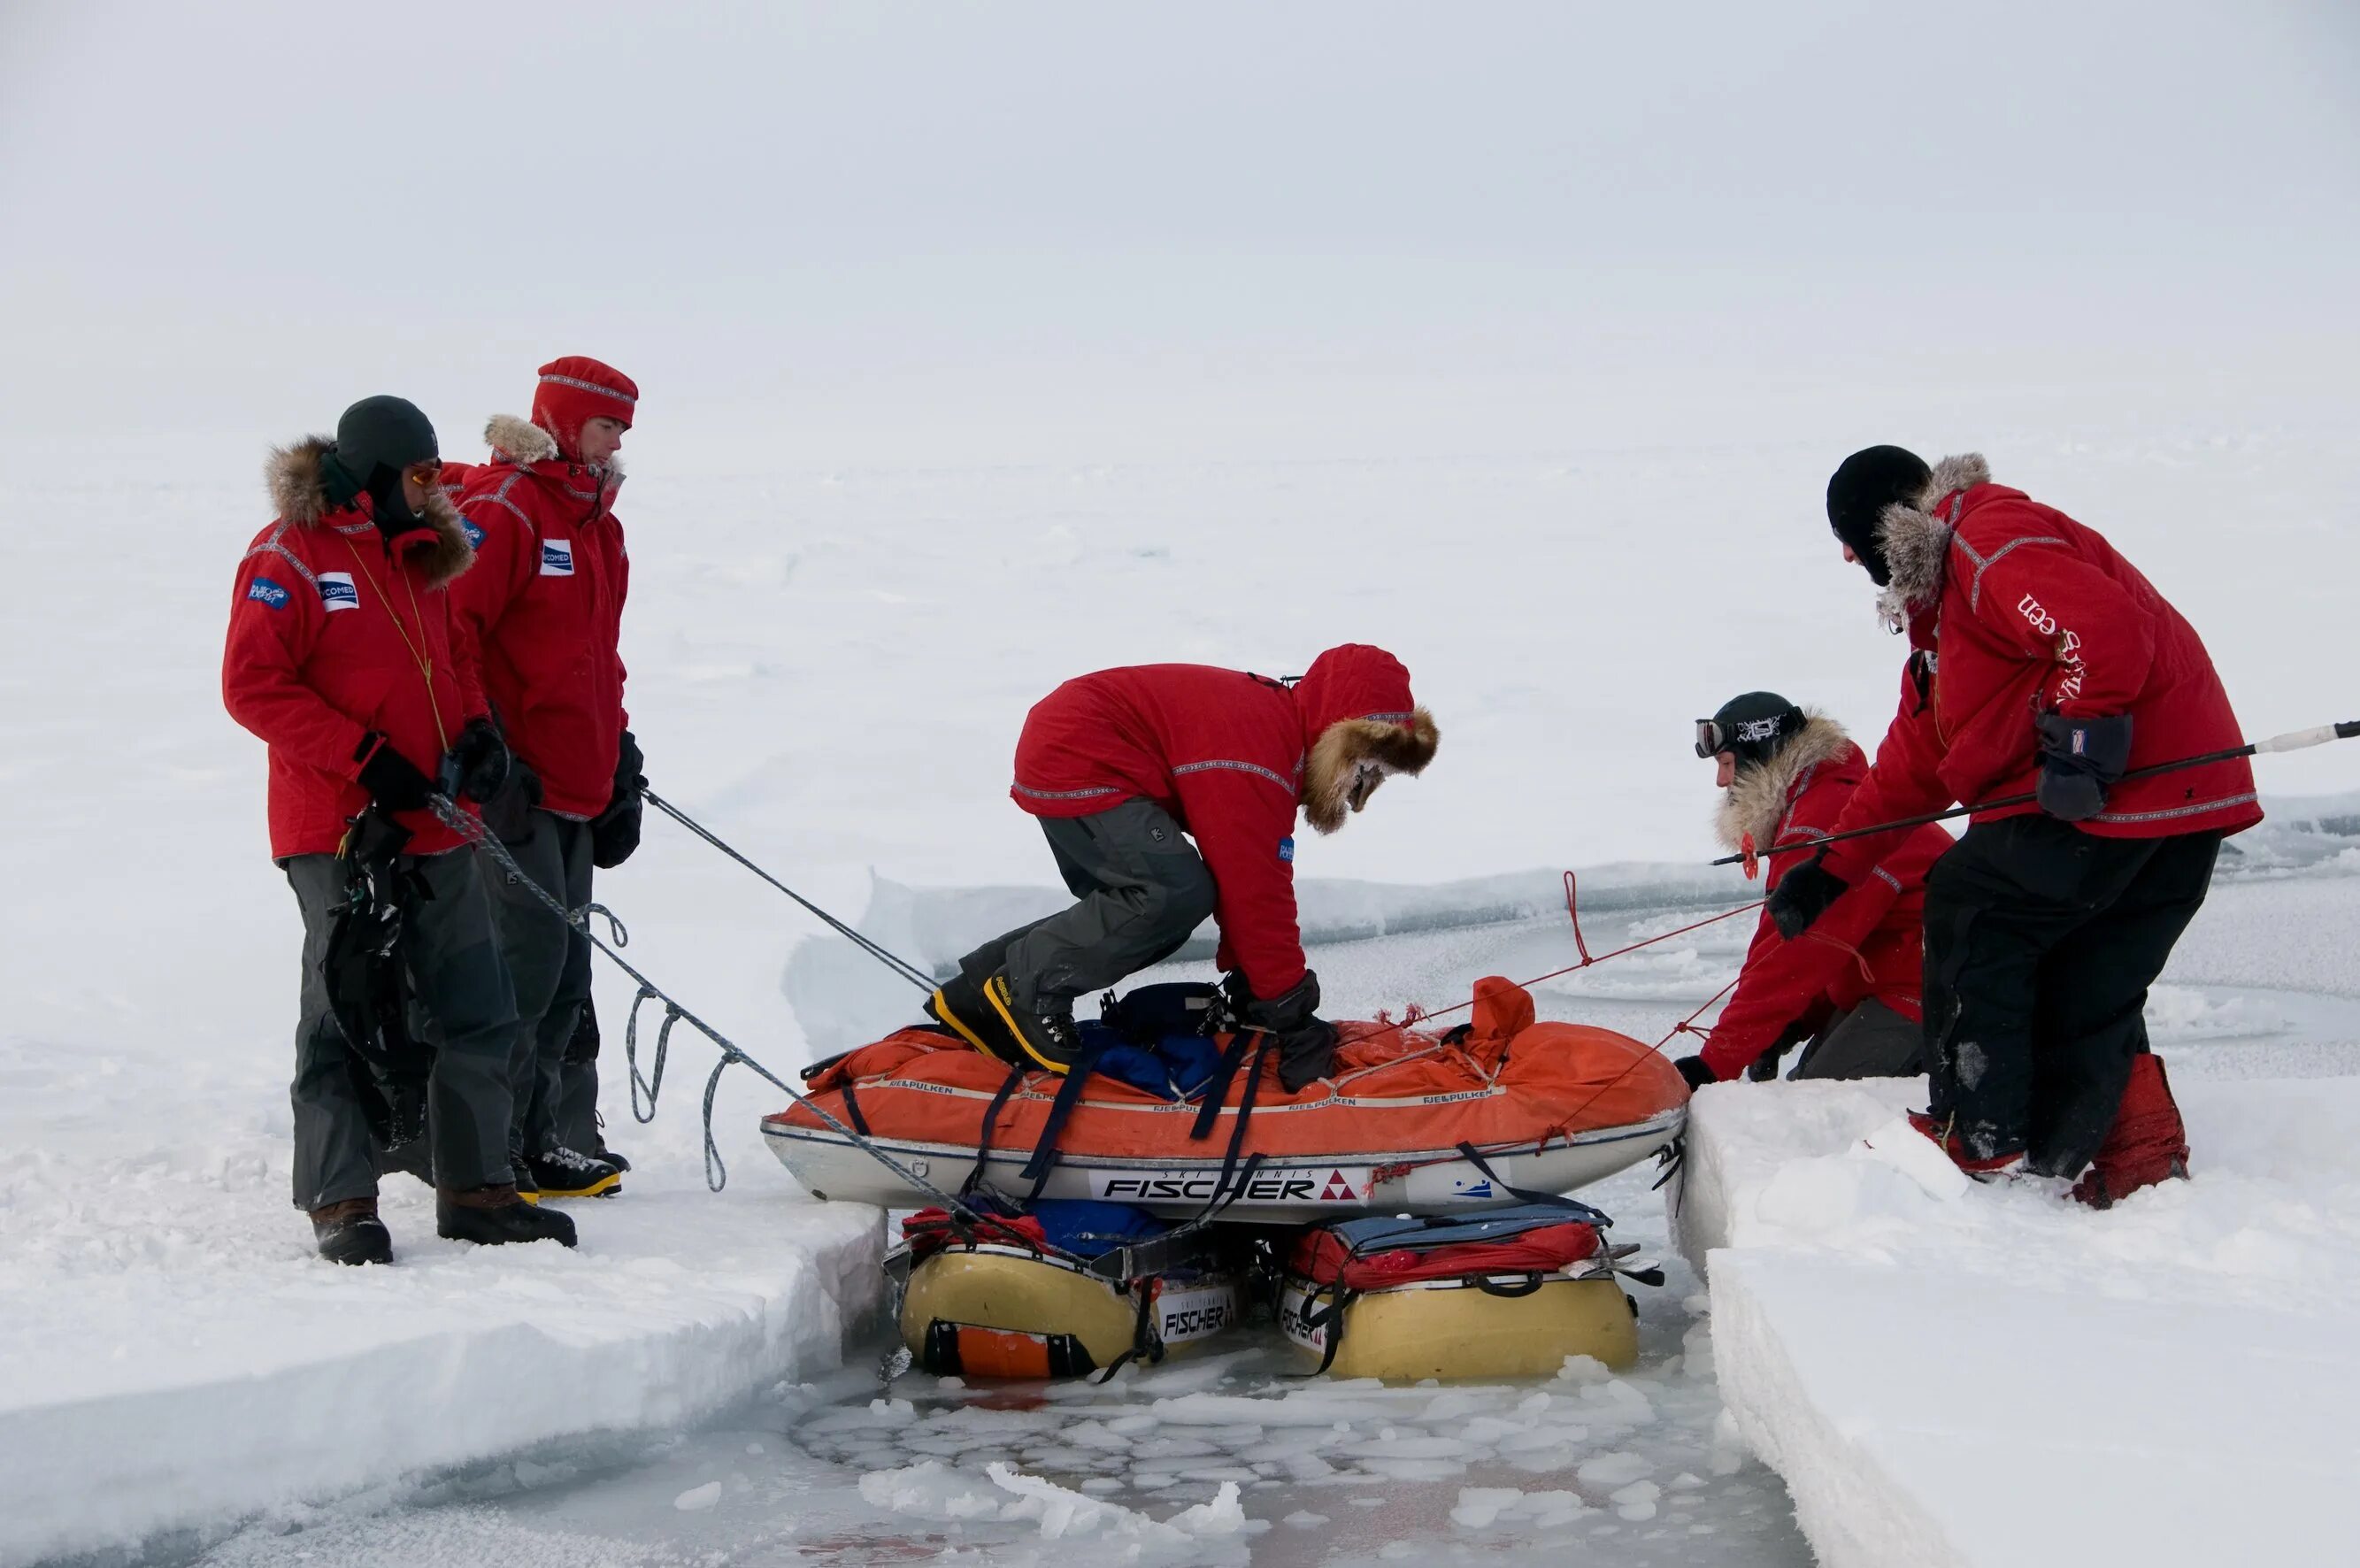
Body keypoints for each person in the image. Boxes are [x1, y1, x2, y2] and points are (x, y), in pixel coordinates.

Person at [1768, 447, 2258, 1202]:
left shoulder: (1983, 537)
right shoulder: (1946, 622)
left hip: (2127, 788)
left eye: (1846, 535)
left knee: (1970, 899)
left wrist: (2082, 745)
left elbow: (2100, 633)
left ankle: (1977, 1133)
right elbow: (1915, 762)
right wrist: (1832, 866)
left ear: (1880, 524)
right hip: (2184, 799)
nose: (1843, 554)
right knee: (2087, 974)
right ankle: (2130, 1157)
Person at [223, 396, 577, 1262]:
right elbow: (252, 685)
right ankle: (342, 1198)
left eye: (434, 474)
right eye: (420, 475)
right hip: (340, 825)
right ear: (376, 471)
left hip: (435, 818)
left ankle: (477, 1186)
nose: (432, 490)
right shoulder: (290, 556)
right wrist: (363, 755)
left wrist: (478, 733)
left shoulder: (424, 555)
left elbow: (453, 657)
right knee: (346, 1003)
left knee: (478, 1002)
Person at [926, 646, 1440, 1092]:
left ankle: (974, 996)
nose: (1362, 787)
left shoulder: (1272, 736)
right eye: (1367, 767)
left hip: (1072, 743)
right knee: (1170, 894)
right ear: (1339, 736)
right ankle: (1026, 989)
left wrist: (1254, 985)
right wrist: (1291, 1010)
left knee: (1143, 899)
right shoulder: (1258, 753)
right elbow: (1253, 891)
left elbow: (1246, 878)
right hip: (1082, 753)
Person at [448, 357, 644, 1200]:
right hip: (516, 784)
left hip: (576, 781)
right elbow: (454, 629)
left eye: (625, 433)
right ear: (564, 422)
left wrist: (621, 757)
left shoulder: (597, 523)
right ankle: (489, 1157)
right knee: (522, 969)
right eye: (606, 427)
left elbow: (595, 658)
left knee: (566, 969)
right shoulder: (506, 509)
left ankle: (543, 1143)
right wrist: (484, 746)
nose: (617, 445)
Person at [1672, 692, 1952, 1088]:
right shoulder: (1820, 800)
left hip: (1938, 988)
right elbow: (1835, 943)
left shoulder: (1816, 824)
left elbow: (1791, 956)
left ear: (1761, 755)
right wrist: (1793, 1024)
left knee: (1821, 1097)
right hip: (1901, 977)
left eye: (1727, 763)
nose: (1721, 781)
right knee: (1806, 1080)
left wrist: (1713, 1066)